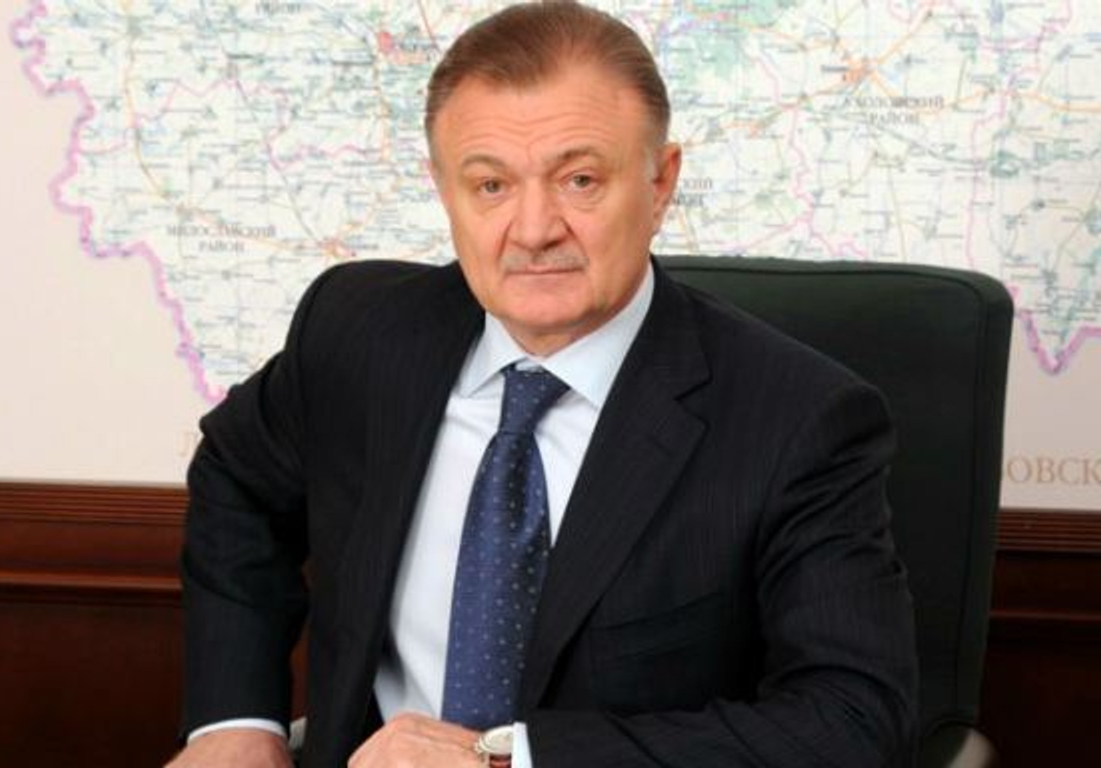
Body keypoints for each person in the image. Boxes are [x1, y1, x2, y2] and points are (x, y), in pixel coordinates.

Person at [168, 2, 917, 766]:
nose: (533, 230)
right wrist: (234, 720)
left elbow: (852, 720)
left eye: (579, 180)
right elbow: (237, 480)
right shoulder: (359, 333)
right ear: (444, 190)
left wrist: (508, 761)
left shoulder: (797, 420)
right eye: (491, 185)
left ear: (661, 183)